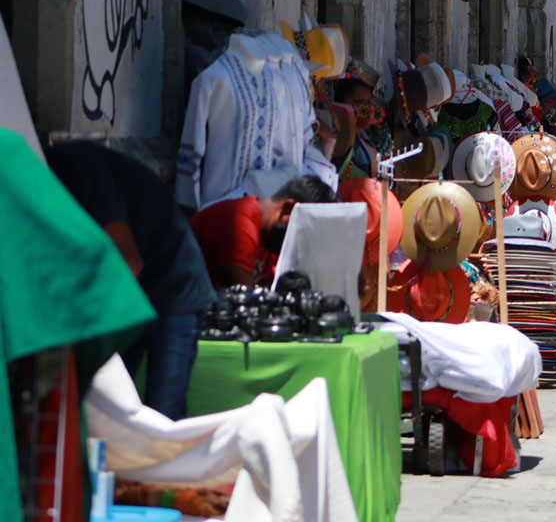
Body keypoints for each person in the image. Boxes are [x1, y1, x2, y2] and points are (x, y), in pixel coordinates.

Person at [46, 141, 218, 420]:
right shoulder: (51, 183)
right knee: (112, 410)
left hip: (174, 285)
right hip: (133, 292)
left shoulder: (78, 169)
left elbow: (128, 262)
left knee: (163, 412)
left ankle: (165, 462)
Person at [190, 176, 340, 289]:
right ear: (288, 210)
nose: (303, 245)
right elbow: (244, 304)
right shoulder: (240, 223)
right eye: (306, 235)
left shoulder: (271, 241)